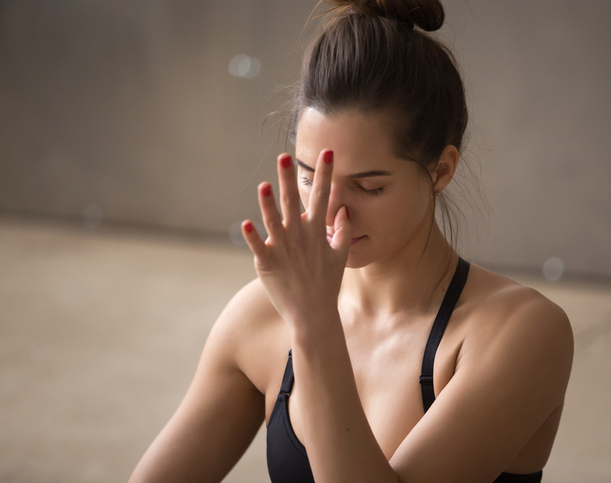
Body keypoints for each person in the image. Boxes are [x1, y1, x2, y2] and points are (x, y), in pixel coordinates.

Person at [130, 1, 574, 481]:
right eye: (310, 178)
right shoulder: (259, 317)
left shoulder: (520, 333)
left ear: (441, 170)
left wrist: (315, 326)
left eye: (369, 187)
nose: (330, 213)